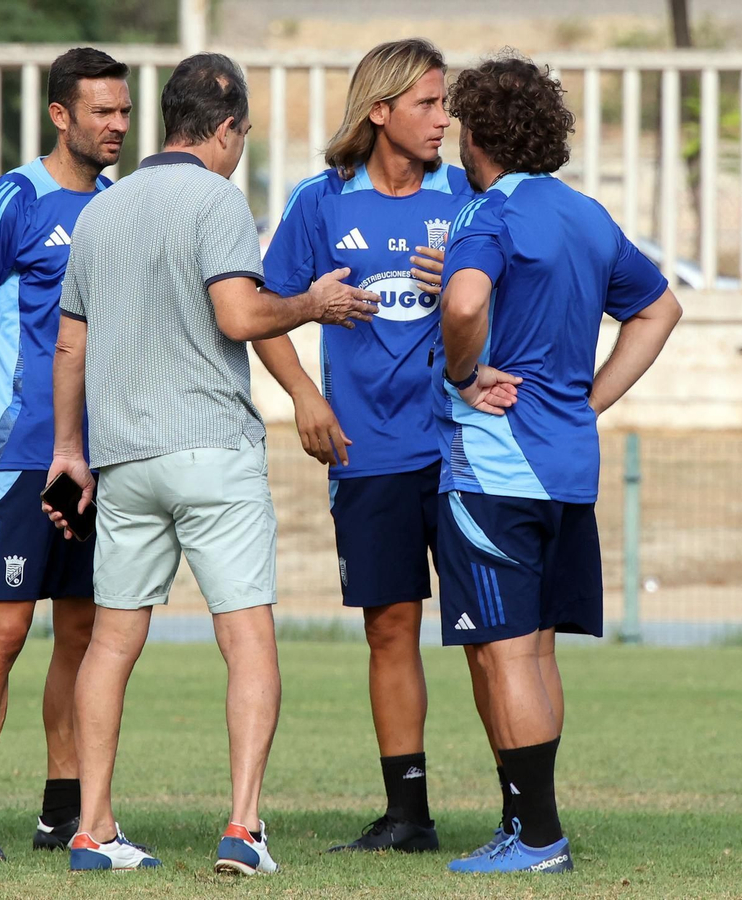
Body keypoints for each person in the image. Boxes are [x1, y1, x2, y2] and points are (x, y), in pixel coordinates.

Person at [43, 52, 380, 874]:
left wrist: (68, 451)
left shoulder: (100, 210)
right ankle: (242, 827)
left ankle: (93, 828)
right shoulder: (219, 200)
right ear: (225, 129)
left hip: (123, 456)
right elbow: (238, 315)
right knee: (247, 636)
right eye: (244, 134)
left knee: (110, 644)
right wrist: (313, 303)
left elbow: (70, 345)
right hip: (210, 449)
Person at [255, 38, 514, 855]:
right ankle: (408, 818)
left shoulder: (468, 195)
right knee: (390, 629)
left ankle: (523, 814)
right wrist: (305, 395)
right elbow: (263, 310)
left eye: (445, 104)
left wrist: (466, 292)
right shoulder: (320, 201)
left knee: (488, 634)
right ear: (379, 110)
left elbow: (517, 298)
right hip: (365, 452)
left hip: (463, 451)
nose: (444, 119)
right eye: (428, 104)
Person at [434, 52, 682, 875]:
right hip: (569, 469)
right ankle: (528, 826)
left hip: (497, 469)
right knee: (536, 653)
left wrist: (462, 375)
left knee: (506, 654)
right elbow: (660, 309)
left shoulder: (487, 212)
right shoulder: (586, 215)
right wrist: (589, 401)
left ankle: (538, 839)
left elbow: (465, 301)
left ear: (476, 133)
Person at [0, 47, 131, 861]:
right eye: (101, 112)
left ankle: (61, 810)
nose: (117, 126)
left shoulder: (119, 207)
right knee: (5, 629)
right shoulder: (12, 200)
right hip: (22, 459)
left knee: (81, 631)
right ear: (60, 115)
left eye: (124, 112)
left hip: (99, 459)